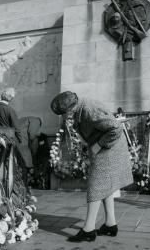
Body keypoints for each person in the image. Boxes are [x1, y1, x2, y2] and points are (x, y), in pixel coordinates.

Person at [50, 91, 133, 242]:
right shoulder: (80, 108)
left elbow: (116, 128)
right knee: (105, 185)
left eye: (64, 113)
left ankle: (88, 229)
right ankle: (110, 224)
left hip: (110, 147)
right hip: (105, 147)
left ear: (71, 108)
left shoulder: (89, 109)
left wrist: (98, 145)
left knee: (95, 186)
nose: (64, 117)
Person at [0, 88, 33, 177]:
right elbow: (16, 127)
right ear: (9, 97)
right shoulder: (9, 110)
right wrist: (20, 139)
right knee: (11, 165)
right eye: (12, 97)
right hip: (7, 141)